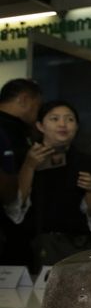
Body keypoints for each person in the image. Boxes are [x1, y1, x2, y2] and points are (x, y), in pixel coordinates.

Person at [3, 101, 91, 266]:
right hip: (26, 248)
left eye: (69, 119)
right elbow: (14, 207)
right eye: (54, 119)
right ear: (40, 126)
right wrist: (29, 166)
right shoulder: (22, 156)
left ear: (77, 126)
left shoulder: (88, 162)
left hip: (72, 249)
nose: (62, 124)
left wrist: (90, 189)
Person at [0, 78, 42, 268]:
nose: (37, 112)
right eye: (37, 105)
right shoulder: (6, 129)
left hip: (21, 230)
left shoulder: (23, 130)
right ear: (24, 100)